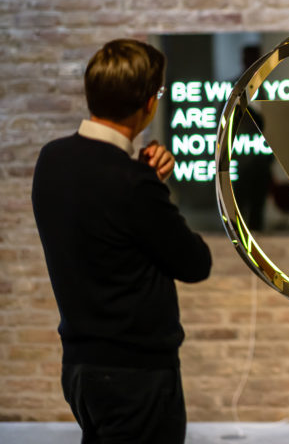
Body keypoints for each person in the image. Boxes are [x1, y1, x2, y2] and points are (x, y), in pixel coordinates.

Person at [31, 39, 212, 443]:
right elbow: (195, 263)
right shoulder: (133, 183)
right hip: (137, 375)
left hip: (80, 369)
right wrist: (152, 183)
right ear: (148, 103)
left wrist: (145, 177)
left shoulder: (51, 160)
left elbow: (107, 226)